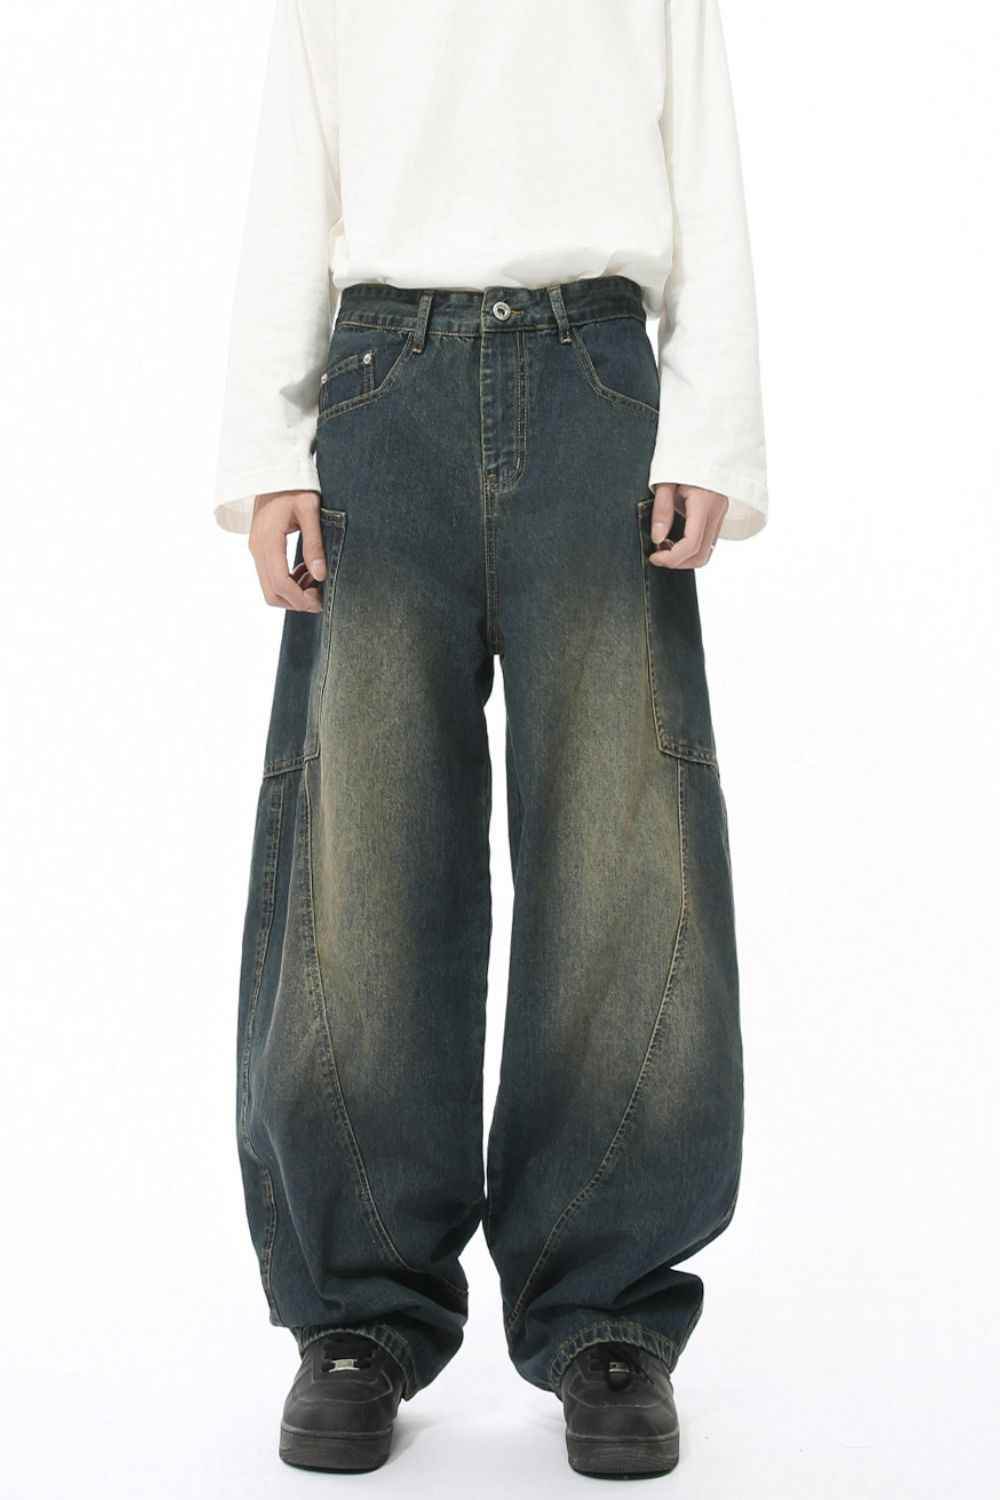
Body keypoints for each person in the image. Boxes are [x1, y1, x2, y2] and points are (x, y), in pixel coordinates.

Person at [214, 0, 767, 1478]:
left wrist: (711, 428)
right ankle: (358, 1312)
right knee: (366, 849)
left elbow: (702, 155)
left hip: (600, 381)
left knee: (623, 847)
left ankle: (607, 1310)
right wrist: (267, 448)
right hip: (380, 382)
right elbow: (300, 155)